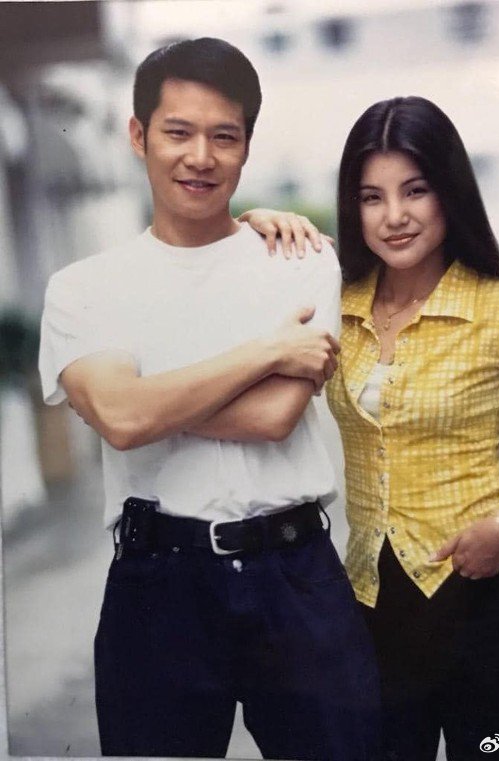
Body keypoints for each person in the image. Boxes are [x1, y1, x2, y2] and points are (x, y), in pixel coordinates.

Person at [38, 37, 381, 760]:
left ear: (246, 147)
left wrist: (144, 395)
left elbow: (273, 416)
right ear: (138, 136)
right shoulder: (83, 288)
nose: (200, 157)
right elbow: (124, 419)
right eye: (178, 132)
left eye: (224, 137)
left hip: (294, 576)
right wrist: (267, 352)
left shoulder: (299, 259)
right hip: (157, 584)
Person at [240, 96, 499, 760]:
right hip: (372, 610)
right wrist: (254, 221)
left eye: (415, 190)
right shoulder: (336, 301)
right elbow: (235, 266)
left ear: (449, 192)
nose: (394, 216)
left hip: (487, 603)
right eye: (371, 197)